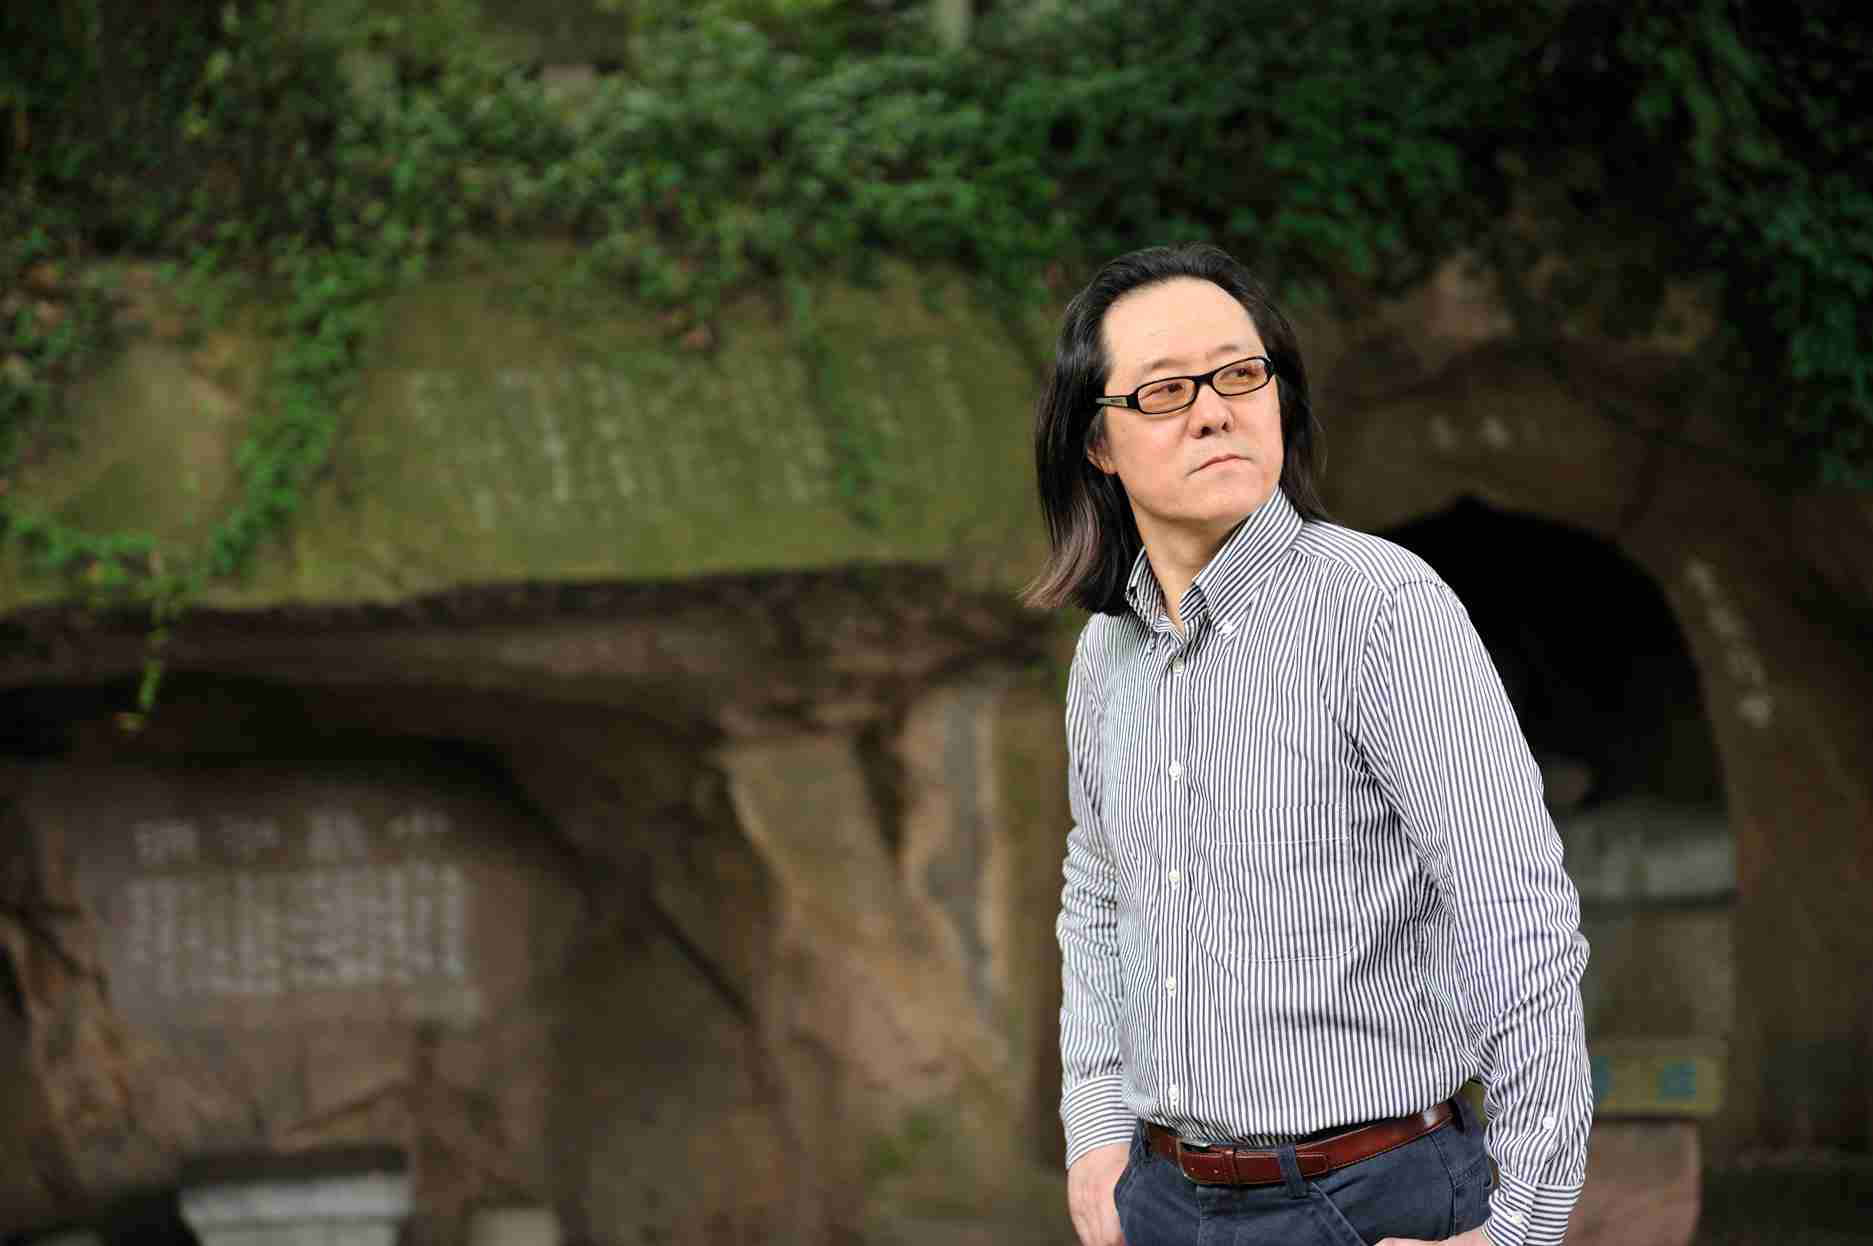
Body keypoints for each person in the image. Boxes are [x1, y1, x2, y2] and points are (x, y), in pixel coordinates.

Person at [1024, 243, 1593, 1246]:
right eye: (1164, 390)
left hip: (1367, 1197)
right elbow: (1101, 890)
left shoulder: (1382, 609)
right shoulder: (1107, 652)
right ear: (1097, 443)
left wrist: (1523, 1227)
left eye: (1239, 374)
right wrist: (1097, 1124)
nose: (1213, 411)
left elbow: (1513, 908)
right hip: (1160, 1199)